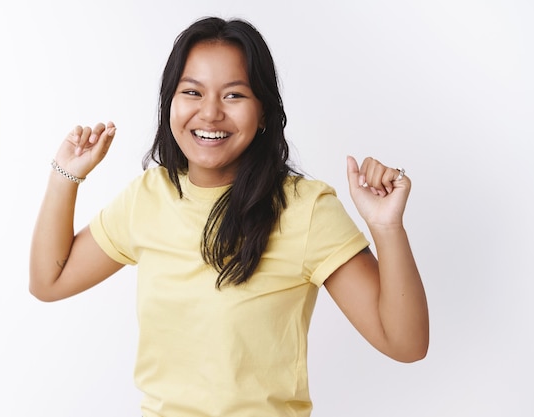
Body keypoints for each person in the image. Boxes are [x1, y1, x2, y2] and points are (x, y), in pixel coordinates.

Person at [30, 16, 429, 417]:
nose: (210, 114)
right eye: (192, 92)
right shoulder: (148, 197)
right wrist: (66, 175)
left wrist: (386, 227)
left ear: (264, 113)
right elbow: (49, 281)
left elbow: (406, 344)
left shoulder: (304, 208)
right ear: (170, 102)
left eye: (234, 96)